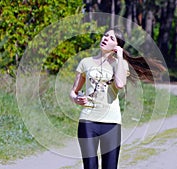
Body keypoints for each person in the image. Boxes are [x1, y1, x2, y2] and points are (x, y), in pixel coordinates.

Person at [69, 27, 166, 169]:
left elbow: (120, 84)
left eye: (111, 38)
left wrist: (120, 57)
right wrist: (76, 99)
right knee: (90, 166)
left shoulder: (121, 64)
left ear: (117, 46)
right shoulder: (85, 62)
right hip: (88, 121)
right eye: (105, 36)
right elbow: (73, 91)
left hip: (111, 123)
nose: (105, 38)